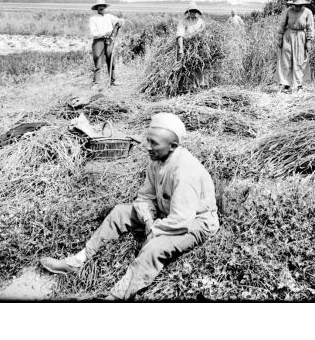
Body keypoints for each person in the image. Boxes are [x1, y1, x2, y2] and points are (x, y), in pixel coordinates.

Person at [40, 112, 219, 301]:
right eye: (148, 140)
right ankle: (77, 261)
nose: (148, 147)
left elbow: (182, 220)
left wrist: (155, 230)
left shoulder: (185, 171)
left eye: (154, 143)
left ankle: (117, 296)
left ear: (173, 146)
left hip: (196, 223)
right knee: (119, 212)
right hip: (168, 214)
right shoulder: (156, 159)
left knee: (155, 247)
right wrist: (149, 220)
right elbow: (145, 196)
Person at [276, 0, 315, 94]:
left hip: (301, 37)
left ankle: (299, 84)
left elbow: (310, 27)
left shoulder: (307, 12)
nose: (298, 7)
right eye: (296, 5)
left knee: (300, 60)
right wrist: (280, 38)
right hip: (288, 36)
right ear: (293, 4)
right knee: (286, 59)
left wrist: (309, 41)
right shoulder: (288, 11)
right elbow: (282, 25)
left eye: (300, 5)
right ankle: (286, 84)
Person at [89, 0, 124, 88]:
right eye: (99, 6)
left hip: (109, 41)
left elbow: (119, 21)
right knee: (98, 61)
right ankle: (96, 83)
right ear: (97, 8)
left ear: (104, 7)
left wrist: (120, 22)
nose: (101, 7)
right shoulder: (93, 19)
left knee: (111, 59)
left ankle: (113, 81)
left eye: (103, 6)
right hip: (98, 41)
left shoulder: (110, 16)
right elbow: (94, 33)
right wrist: (104, 34)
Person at [175, 1, 208, 88]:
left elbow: (204, 32)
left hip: (200, 46)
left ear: (197, 12)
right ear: (188, 12)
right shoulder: (183, 21)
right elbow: (180, 35)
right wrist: (181, 49)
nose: (193, 13)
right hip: (188, 46)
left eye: (194, 11)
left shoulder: (200, 21)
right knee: (190, 65)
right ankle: (193, 84)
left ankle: (202, 83)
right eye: (191, 11)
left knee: (200, 64)